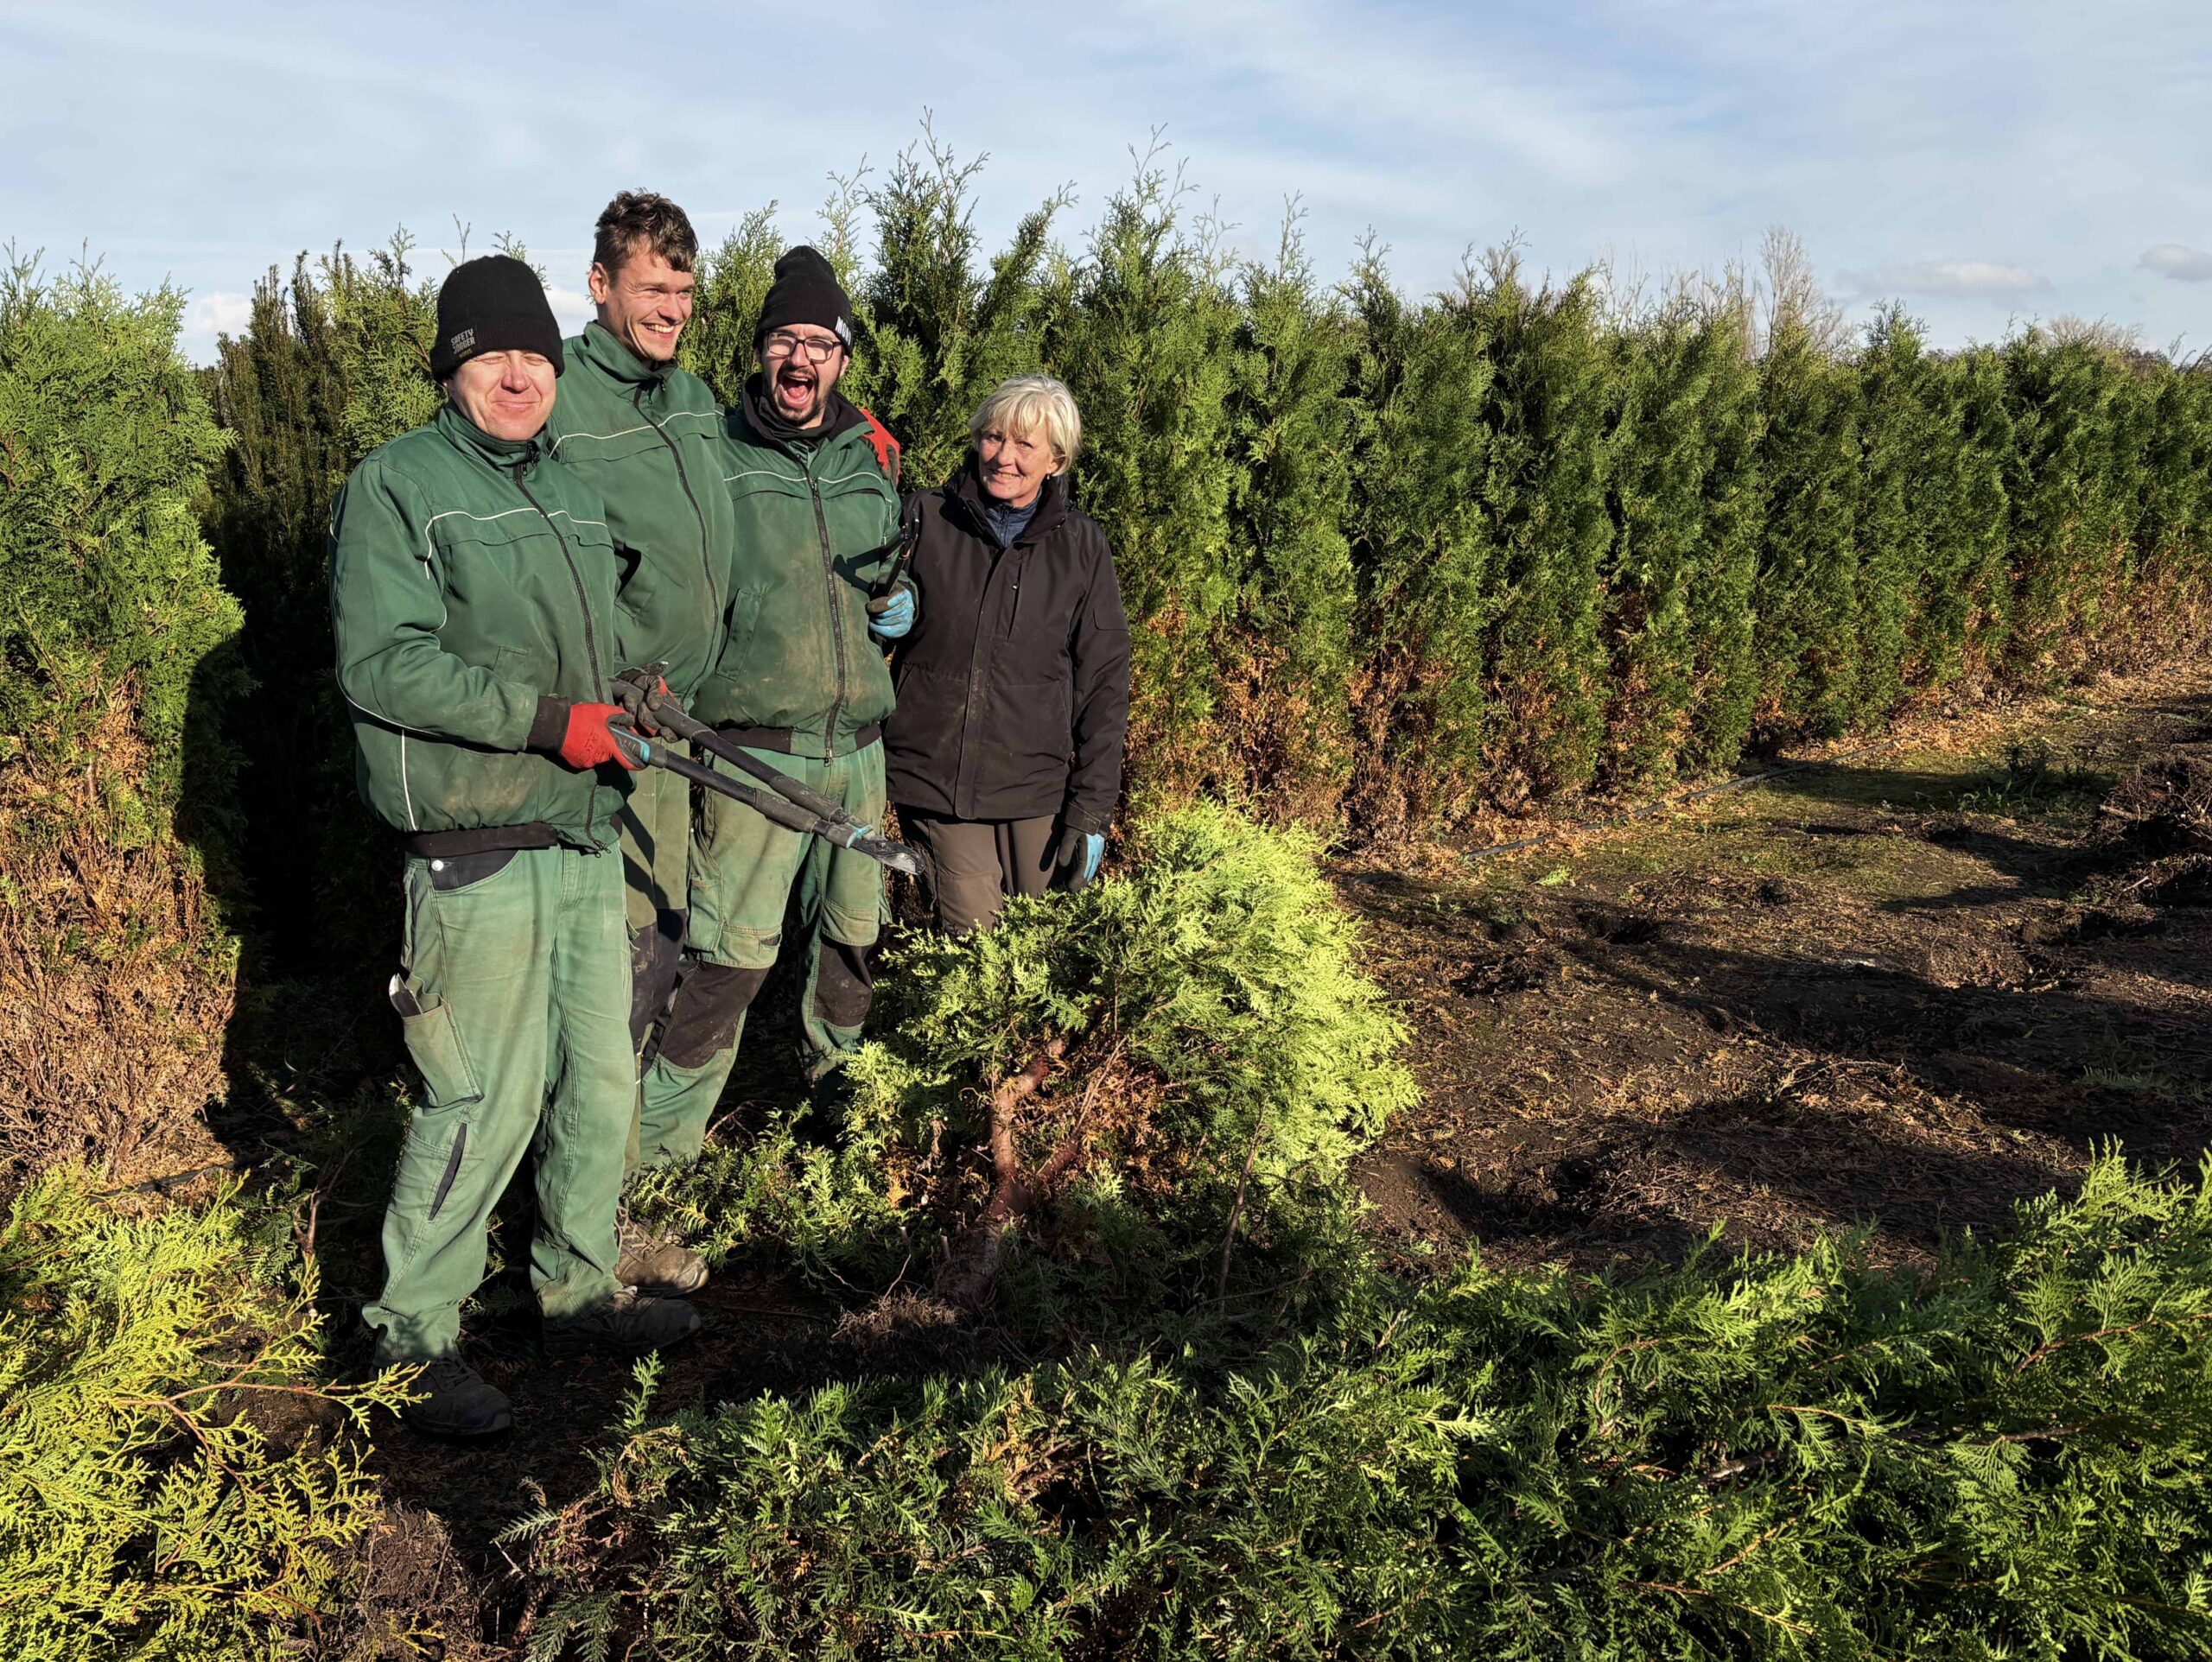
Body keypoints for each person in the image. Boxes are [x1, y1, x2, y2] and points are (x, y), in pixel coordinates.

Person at [330, 255, 699, 1438]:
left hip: (581, 830)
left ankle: (575, 1293)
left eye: (535, 355)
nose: (518, 375)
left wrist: (628, 695)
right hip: (476, 841)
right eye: (492, 355)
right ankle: (409, 1342)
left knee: (597, 1080)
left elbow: (586, 646)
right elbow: (383, 664)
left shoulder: (568, 489)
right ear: (451, 368)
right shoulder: (399, 484)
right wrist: (552, 723)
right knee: (476, 1098)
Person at [635, 246, 912, 1157]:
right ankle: (656, 1154)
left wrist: (902, 608)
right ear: (760, 351)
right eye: (784, 341)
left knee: (852, 950)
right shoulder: (712, 454)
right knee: (727, 959)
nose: (800, 360)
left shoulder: (869, 457)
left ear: (842, 359)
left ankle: (845, 1126)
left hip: (858, 753)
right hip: (755, 756)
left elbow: (884, 579)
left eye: (820, 345)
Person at [543, 189, 734, 1298]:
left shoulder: (694, 400)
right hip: (612, 739)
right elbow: (547, 570)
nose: (671, 308)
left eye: (685, 290)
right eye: (652, 287)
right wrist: (608, 677)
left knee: (661, 953)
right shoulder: (562, 404)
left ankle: (605, 1203)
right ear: (600, 284)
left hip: (688, 736)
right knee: (609, 984)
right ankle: (584, 1229)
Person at [882, 374, 1130, 933]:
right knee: (976, 942)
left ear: (1056, 461)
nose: (1003, 457)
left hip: (1035, 787)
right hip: (936, 780)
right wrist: (886, 610)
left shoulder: (1083, 547)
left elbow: (1105, 685)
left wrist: (1092, 809)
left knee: (1042, 945)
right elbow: (867, 633)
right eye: (993, 437)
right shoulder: (926, 518)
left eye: (1024, 444)